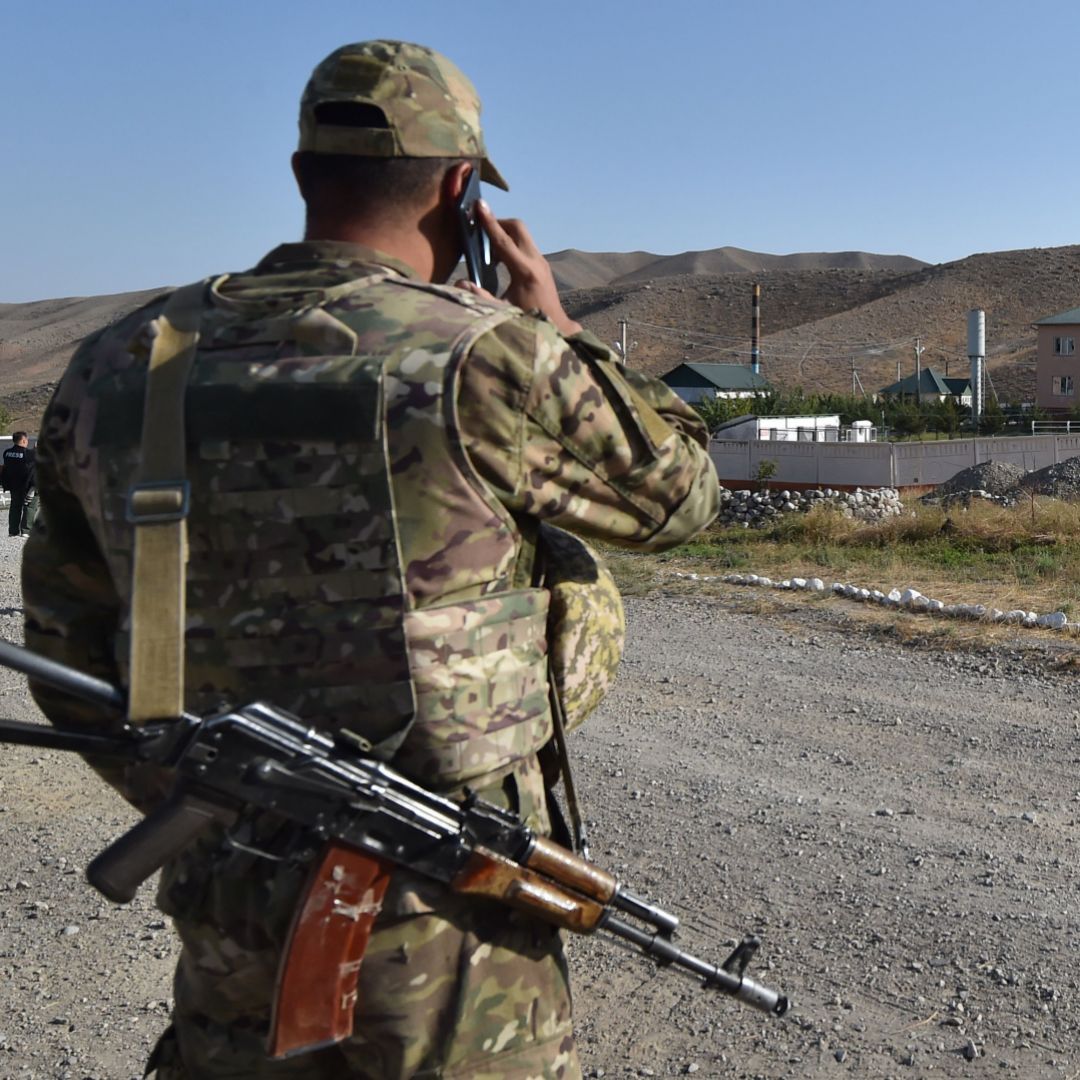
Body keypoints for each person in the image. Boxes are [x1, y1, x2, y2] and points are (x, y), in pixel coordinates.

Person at [22, 39, 720, 1080]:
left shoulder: (122, 363)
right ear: (459, 189)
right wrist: (563, 331)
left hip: (229, 902)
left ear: (303, 174)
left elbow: (64, 638)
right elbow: (680, 500)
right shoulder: (489, 355)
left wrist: (217, 792)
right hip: (449, 937)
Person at [2, 432, 37, 538]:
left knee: (14, 507)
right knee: (30, 506)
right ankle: (26, 530)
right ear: (23, 440)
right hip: (27, 485)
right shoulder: (29, 453)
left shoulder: (7, 453)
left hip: (13, 485)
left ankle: (13, 531)